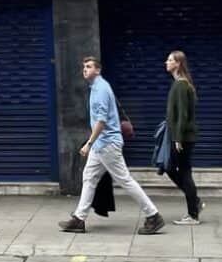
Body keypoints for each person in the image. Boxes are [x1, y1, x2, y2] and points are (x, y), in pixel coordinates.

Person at [59, 56, 165, 234]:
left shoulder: (100, 89)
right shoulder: (96, 87)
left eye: (89, 66)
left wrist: (88, 144)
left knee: (125, 180)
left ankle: (153, 215)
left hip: (107, 144)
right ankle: (79, 219)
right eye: (84, 66)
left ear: (98, 70)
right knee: (89, 177)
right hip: (102, 145)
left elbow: (101, 121)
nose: (85, 69)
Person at [164, 50, 201, 225]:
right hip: (184, 136)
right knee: (176, 169)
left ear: (178, 64)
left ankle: (193, 213)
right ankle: (194, 203)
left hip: (183, 137)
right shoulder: (182, 84)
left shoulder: (180, 85)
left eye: (170, 60)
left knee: (182, 172)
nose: (166, 62)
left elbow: (183, 115)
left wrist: (177, 138)